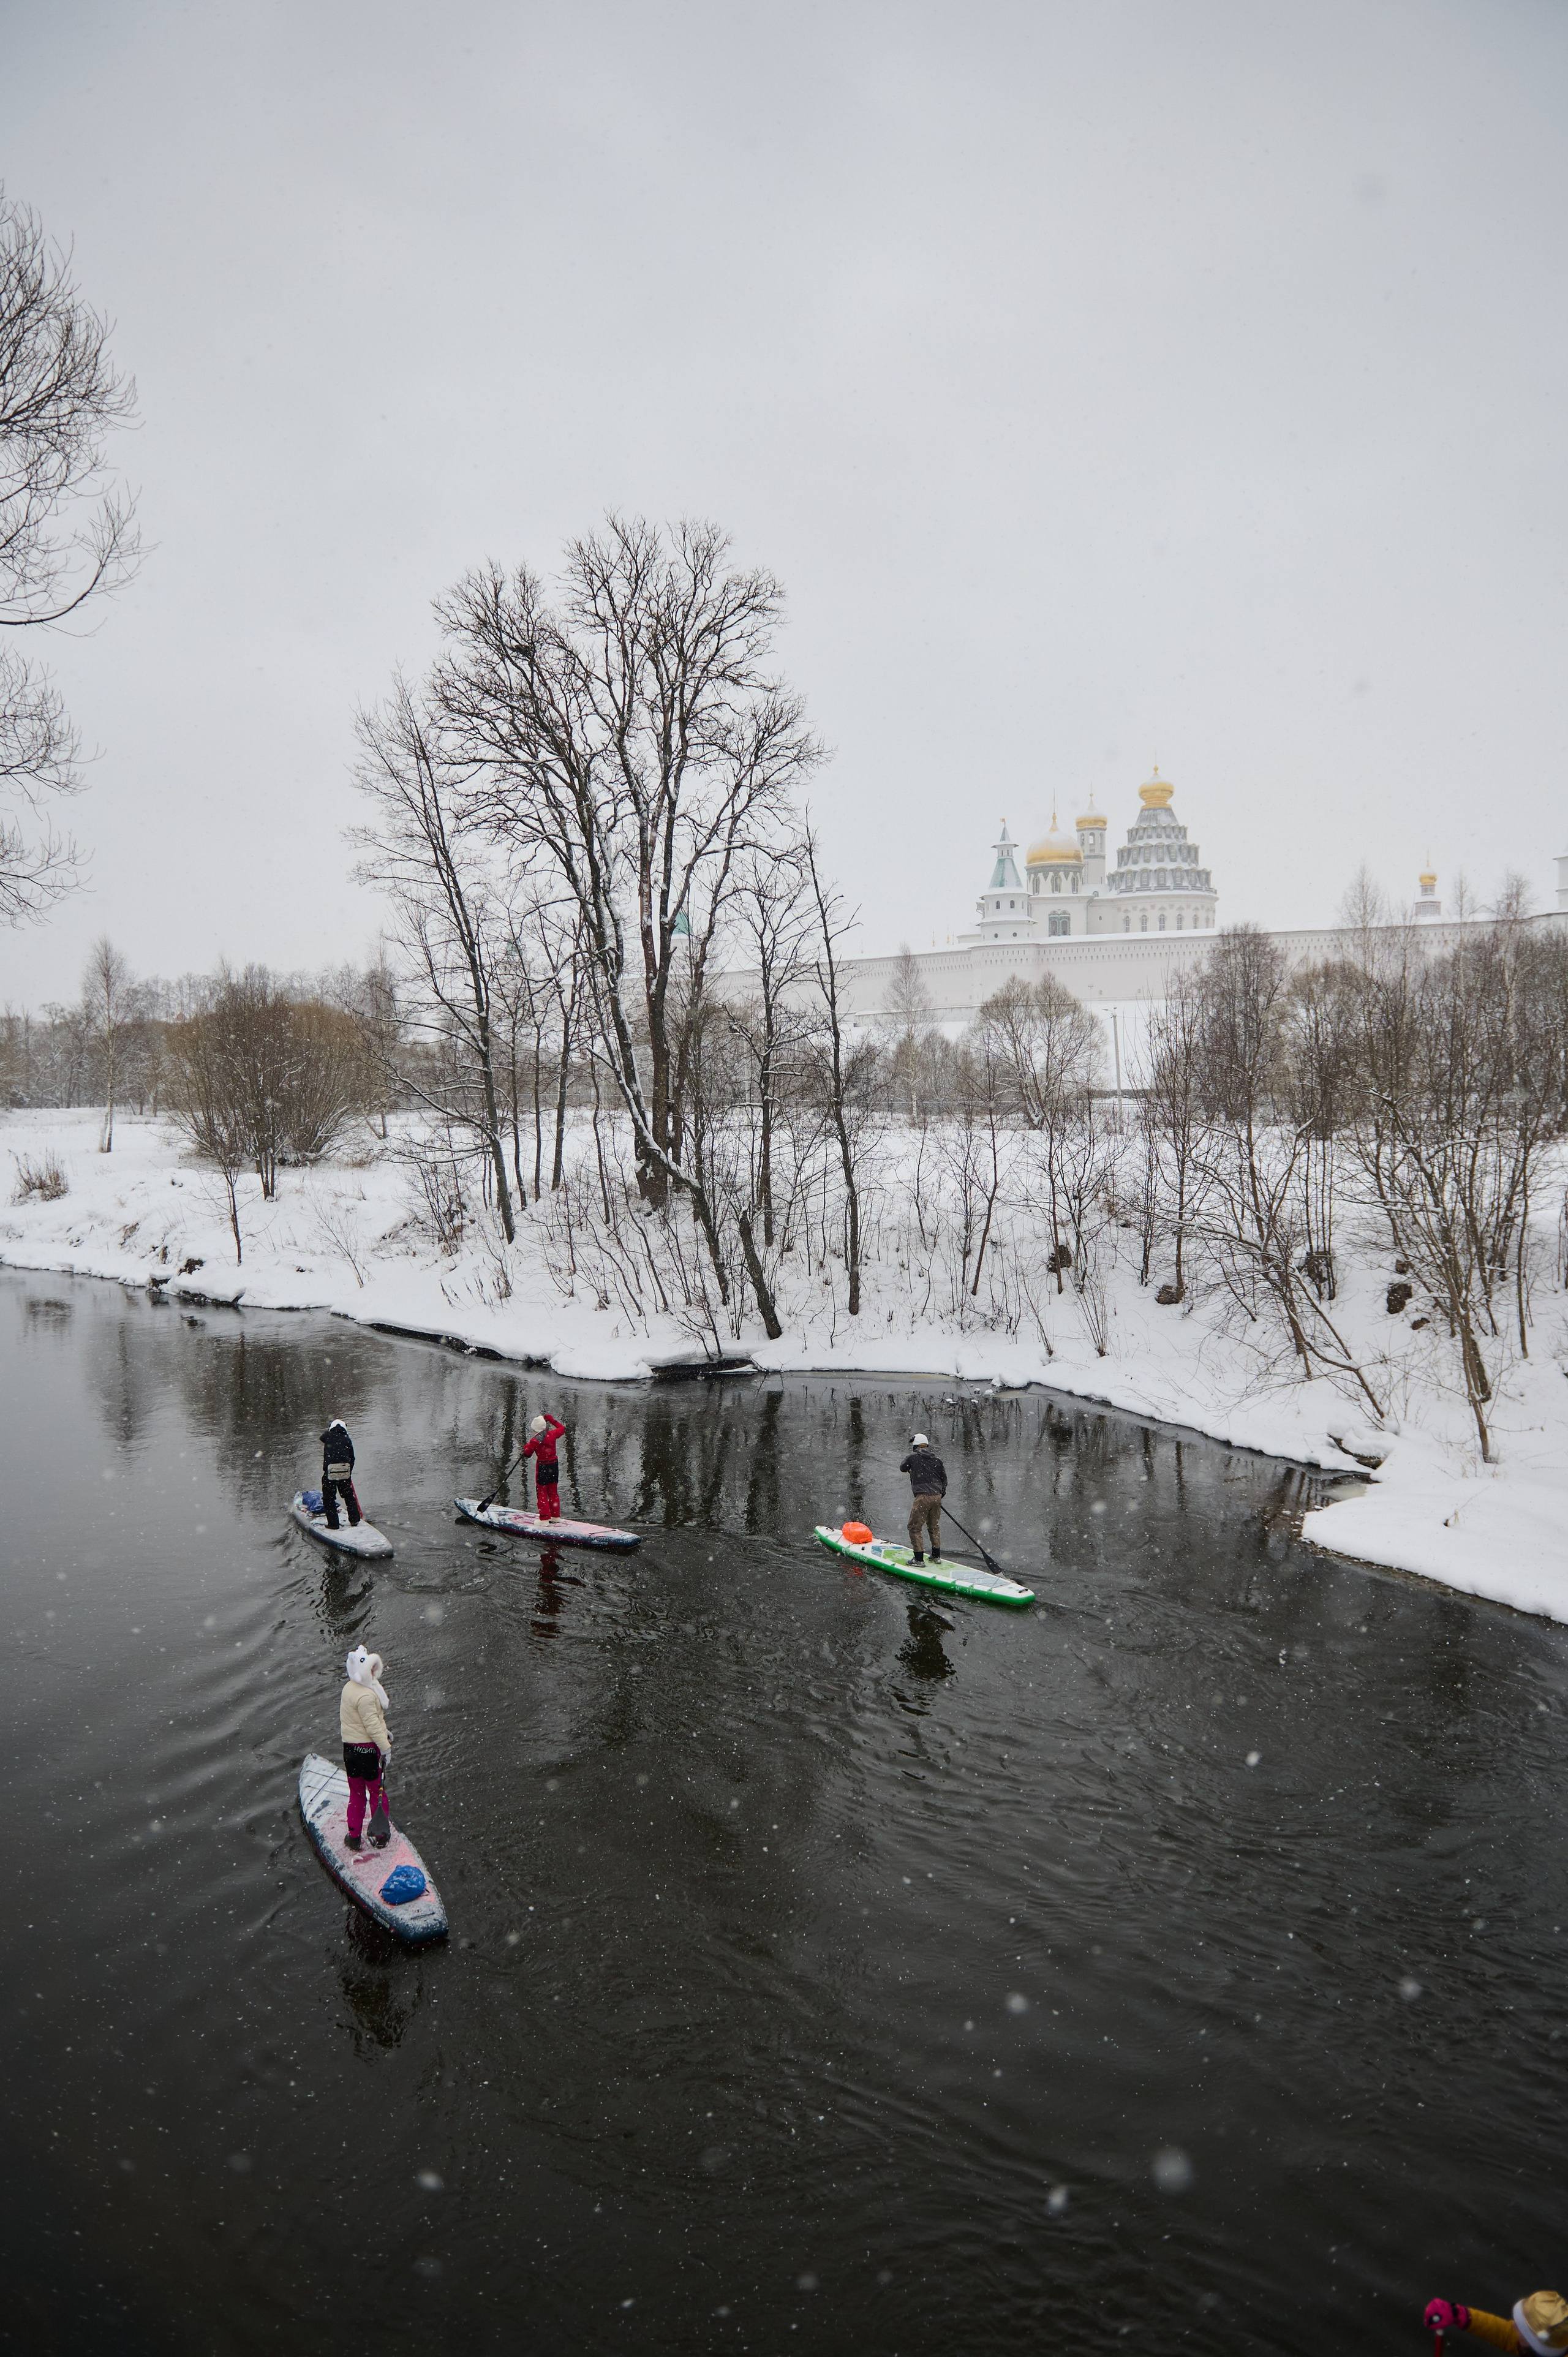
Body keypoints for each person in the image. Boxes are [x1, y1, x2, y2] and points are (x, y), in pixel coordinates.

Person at [340, 1645, 391, 1851]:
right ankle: (380, 1836)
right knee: (378, 1793)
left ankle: (353, 1837)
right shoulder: (367, 1696)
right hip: (368, 1752)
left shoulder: (349, 1688)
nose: (372, 1671)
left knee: (356, 1794)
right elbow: (372, 1726)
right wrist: (385, 1748)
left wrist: (385, 1732)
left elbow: (362, 1721)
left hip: (350, 1751)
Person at [1425, 2292, 1568, 2351]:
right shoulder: (1554, 2343)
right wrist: (1461, 2315)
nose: (1514, 2325)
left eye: (1523, 2329)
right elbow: (1509, 2336)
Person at [899, 1430, 947, 1564]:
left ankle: (919, 1560)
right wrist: (939, 1495)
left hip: (922, 1497)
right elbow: (944, 1480)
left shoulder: (912, 1458)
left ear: (915, 1446)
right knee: (933, 1526)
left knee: (914, 1528)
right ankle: (936, 1556)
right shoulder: (937, 1461)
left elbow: (903, 1468)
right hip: (937, 1497)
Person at [522, 1411, 566, 1522]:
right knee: (553, 1491)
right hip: (554, 1465)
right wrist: (551, 1419)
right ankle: (555, 1517)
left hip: (543, 1467)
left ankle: (544, 1519)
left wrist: (527, 1447)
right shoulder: (552, 1434)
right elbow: (562, 1428)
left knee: (542, 1492)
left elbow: (527, 1454)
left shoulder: (535, 1440)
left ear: (535, 1428)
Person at [320, 1417, 361, 1531]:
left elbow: (322, 1438)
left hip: (331, 1472)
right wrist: (349, 1473)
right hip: (345, 1471)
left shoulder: (328, 1436)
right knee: (349, 1496)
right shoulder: (347, 1439)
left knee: (329, 1498)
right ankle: (354, 1520)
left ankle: (333, 1524)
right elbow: (352, 1458)